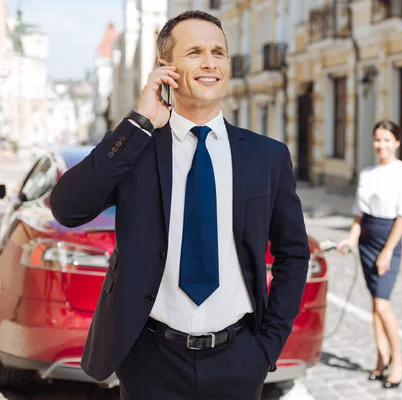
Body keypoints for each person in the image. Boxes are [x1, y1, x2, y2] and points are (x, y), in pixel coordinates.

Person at [50, 10, 309, 400]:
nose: (210, 62)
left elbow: (294, 253)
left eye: (219, 52)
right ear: (165, 68)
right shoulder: (136, 147)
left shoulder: (267, 156)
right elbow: (68, 208)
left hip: (239, 359)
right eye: (195, 52)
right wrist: (138, 122)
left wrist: (267, 347)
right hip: (151, 361)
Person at [337, 120, 402, 389]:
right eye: (377, 140)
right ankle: (381, 359)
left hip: (388, 238)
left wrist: (388, 251)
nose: (381, 145)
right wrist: (351, 237)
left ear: (397, 142)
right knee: (375, 304)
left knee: (383, 304)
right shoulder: (367, 172)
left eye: (386, 140)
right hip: (367, 239)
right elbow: (359, 213)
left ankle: (399, 360)